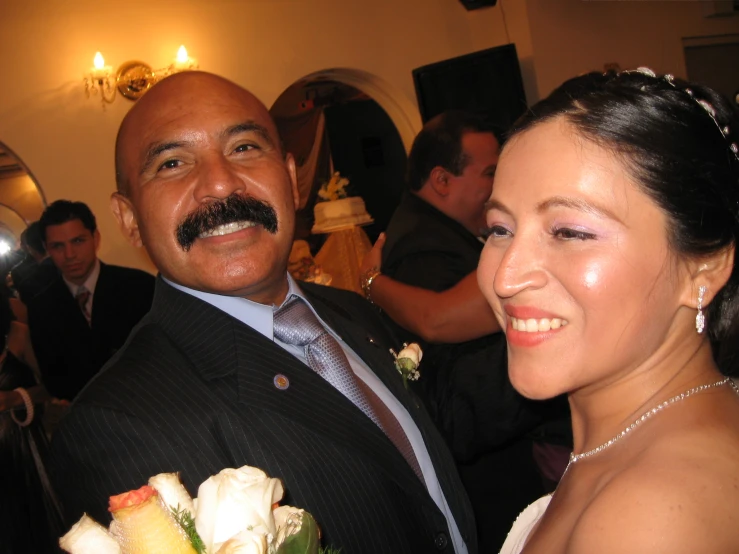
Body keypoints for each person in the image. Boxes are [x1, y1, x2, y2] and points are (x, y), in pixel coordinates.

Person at [50, 72, 477, 554]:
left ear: (292, 179)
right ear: (128, 219)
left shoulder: (353, 312)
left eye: (245, 148)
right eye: (172, 162)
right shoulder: (116, 423)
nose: (219, 181)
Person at [475, 69, 739, 553]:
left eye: (569, 232)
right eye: (499, 229)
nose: (504, 278)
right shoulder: (641, 442)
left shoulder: (650, 514)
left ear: (705, 265)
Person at [360, 111, 567, 552]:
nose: (498, 184)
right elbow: (456, 395)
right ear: (441, 180)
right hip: (494, 477)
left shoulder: (435, 229)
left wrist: (372, 284)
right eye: (490, 172)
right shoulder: (424, 245)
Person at [27, 200, 155, 401]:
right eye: (58, 246)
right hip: (87, 417)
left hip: (148, 403)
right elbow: (54, 381)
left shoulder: (140, 286)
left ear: (95, 238)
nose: (69, 255)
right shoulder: (40, 307)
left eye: (78, 241)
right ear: (46, 249)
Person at [0, 294, 65, 552]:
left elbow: (53, 387)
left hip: (20, 450)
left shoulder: (17, 334)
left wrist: (15, 398)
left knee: (33, 527)